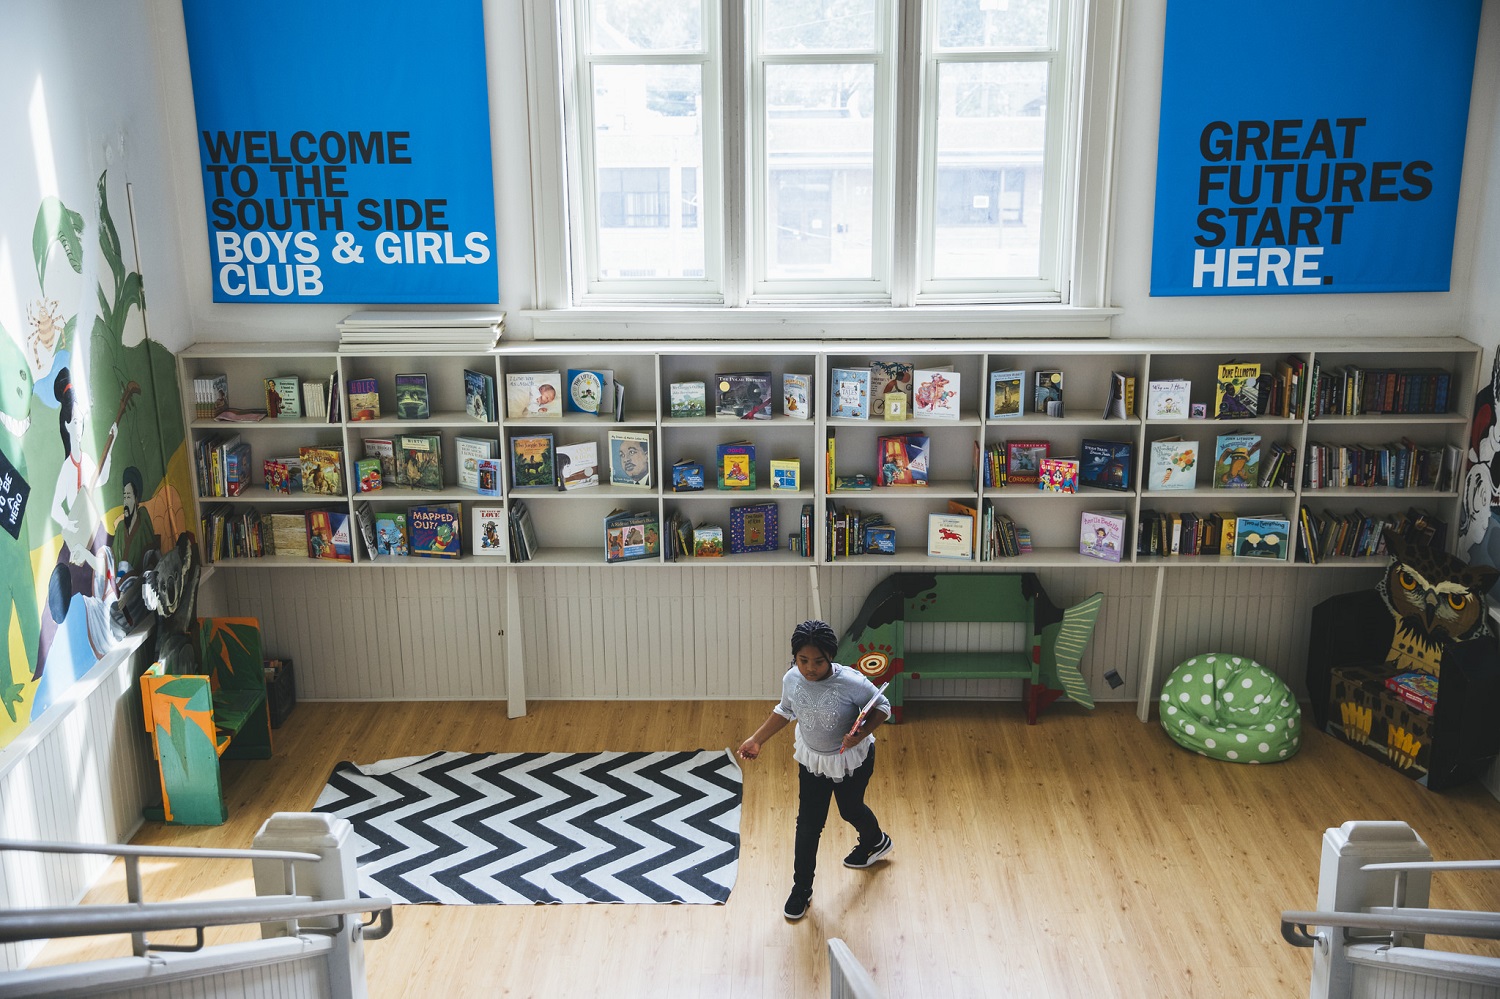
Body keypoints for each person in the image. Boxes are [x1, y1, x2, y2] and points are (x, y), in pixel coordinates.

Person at [737, 619, 893, 921]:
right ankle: (801, 889)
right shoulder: (792, 679)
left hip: (851, 760)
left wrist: (860, 734)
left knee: (850, 809)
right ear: (794, 657)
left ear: (831, 656)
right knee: (808, 825)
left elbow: (883, 706)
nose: (810, 668)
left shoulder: (851, 682)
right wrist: (757, 740)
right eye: (803, 660)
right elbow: (785, 710)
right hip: (814, 761)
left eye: (818, 661)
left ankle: (876, 841)